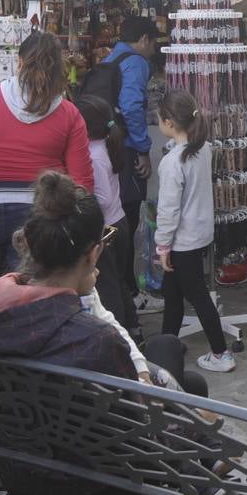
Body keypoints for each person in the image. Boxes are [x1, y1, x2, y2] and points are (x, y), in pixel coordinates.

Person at [0, 171, 209, 495]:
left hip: (17, 477)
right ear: (94, 252)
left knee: (184, 377)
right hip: (92, 493)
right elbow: (138, 440)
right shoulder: (93, 341)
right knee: (195, 404)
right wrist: (199, 430)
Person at [0, 31, 93, 308]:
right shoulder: (69, 114)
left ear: (18, 62)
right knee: (29, 295)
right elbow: (82, 182)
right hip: (35, 214)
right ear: (60, 69)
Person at [155, 90, 235, 373]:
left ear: (169, 122)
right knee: (173, 293)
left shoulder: (172, 162)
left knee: (197, 296)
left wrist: (162, 246)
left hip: (181, 241)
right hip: (198, 234)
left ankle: (220, 353)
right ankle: (167, 347)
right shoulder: (203, 149)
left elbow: (168, 209)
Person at [100, 16, 160, 295]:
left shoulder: (110, 58)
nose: (153, 51)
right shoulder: (136, 62)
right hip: (126, 151)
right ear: (145, 39)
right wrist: (143, 148)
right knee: (129, 216)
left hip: (107, 150)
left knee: (113, 219)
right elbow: (133, 106)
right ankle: (128, 292)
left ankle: (117, 287)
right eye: (153, 44)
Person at [78, 94, 141, 339]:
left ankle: (118, 337)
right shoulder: (106, 145)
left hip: (106, 228)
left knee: (107, 286)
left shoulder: (92, 155)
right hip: (119, 221)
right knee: (119, 280)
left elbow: (101, 199)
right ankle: (133, 329)